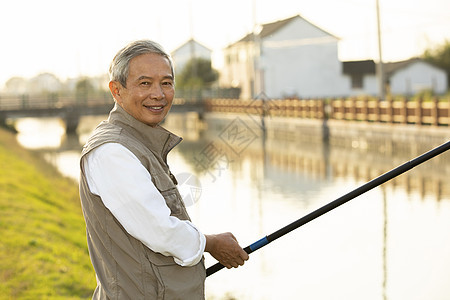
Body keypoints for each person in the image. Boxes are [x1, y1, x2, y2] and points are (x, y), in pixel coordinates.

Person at [79, 39, 249, 299]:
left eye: (166, 83)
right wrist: (211, 243)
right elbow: (160, 231)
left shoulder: (137, 142)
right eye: (144, 83)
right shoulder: (112, 151)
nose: (158, 94)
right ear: (117, 90)